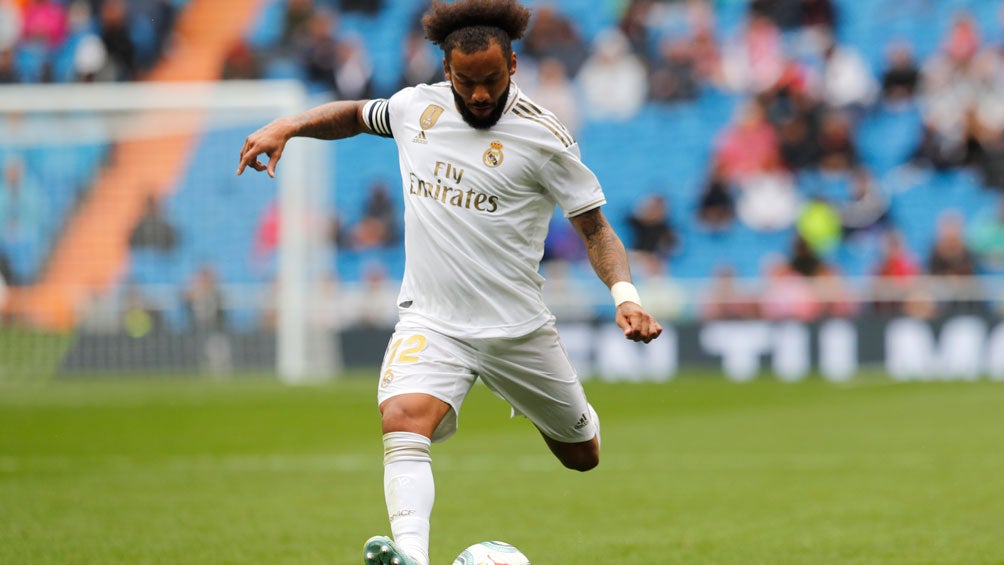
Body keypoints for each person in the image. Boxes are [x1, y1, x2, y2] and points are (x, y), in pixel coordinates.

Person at [236, 2, 663, 564]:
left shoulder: (544, 137)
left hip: (517, 328)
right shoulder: (417, 108)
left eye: (491, 80)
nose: (480, 94)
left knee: (582, 454)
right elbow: (357, 115)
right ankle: (411, 555)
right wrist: (289, 125)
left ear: (513, 63)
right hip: (432, 318)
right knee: (402, 417)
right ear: (446, 69)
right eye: (466, 82)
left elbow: (596, 229)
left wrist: (625, 297)